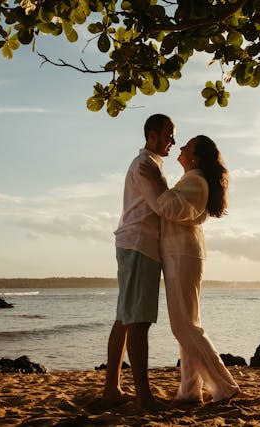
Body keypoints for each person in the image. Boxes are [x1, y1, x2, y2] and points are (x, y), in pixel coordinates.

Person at [140, 135, 240, 404]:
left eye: (188, 146)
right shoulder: (193, 180)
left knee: (185, 326)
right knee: (186, 325)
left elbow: (171, 208)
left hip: (182, 255)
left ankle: (224, 385)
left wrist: (155, 182)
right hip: (180, 254)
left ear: (196, 157)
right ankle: (189, 390)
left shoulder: (196, 181)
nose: (181, 148)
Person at [101, 114, 176, 410]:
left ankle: (112, 389)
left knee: (125, 317)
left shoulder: (150, 163)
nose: (172, 141)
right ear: (152, 135)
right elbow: (162, 206)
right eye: (168, 136)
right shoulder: (145, 165)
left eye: (173, 136)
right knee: (138, 321)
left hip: (135, 245)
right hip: (138, 245)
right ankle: (143, 395)